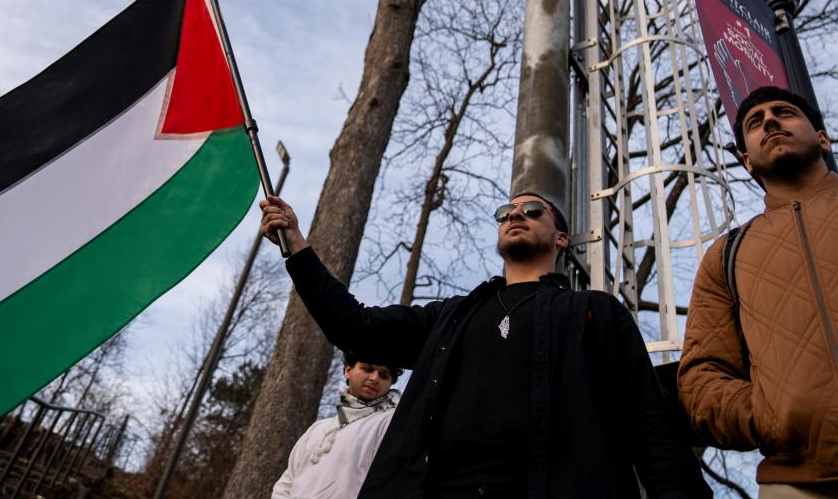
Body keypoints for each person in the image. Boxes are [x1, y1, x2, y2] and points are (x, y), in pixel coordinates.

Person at [261, 192, 710, 498]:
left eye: (533, 210)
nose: (515, 215)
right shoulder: (451, 317)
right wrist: (297, 247)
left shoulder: (593, 312)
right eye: (506, 212)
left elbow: (648, 424)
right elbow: (355, 327)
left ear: (560, 238)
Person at [679, 86, 838, 497]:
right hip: (798, 482)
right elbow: (702, 376)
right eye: (755, 122)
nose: (769, 120)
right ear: (747, 161)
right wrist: (767, 416)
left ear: (822, 138)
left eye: (783, 112)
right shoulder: (726, 255)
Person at [272, 352, 402, 499]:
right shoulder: (318, 428)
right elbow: (287, 481)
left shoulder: (391, 423)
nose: (374, 378)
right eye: (368, 369)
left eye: (384, 375)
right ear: (348, 371)